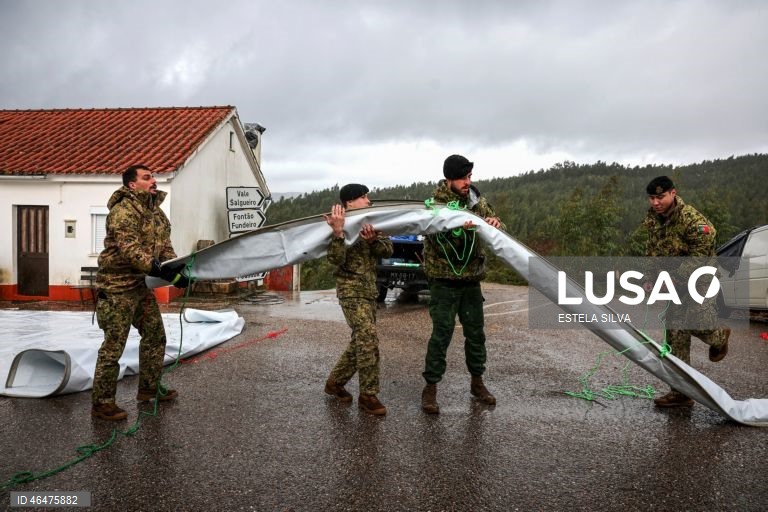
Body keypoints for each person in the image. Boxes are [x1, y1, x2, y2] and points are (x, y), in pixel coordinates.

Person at [91, 164, 190, 421]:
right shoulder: (123, 212)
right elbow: (130, 250)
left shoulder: (156, 214)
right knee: (113, 347)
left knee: (155, 337)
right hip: (116, 289)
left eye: (154, 176)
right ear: (132, 185)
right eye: (147, 178)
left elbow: (165, 247)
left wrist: (176, 270)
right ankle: (102, 404)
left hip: (140, 287)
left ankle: (148, 389)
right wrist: (159, 269)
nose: (154, 180)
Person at [420, 155, 506, 414]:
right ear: (449, 179)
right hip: (444, 282)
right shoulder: (435, 206)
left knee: (476, 334)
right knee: (442, 334)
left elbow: (498, 224)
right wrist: (459, 230)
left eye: (470, 177)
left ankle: (477, 384)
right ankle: (430, 388)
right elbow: (436, 240)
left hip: (471, 282)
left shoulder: (476, 201)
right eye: (463, 177)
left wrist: (494, 224)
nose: (468, 182)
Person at [642, 175, 730, 408]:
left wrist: (674, 278)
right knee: (675, 335)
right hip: (675, 283)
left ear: (673, 193)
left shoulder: (693, 220)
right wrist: (650, 278)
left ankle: (719, 337)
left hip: (701, 279)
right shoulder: (653, 219)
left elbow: (700, 255)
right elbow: (652, 250)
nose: (656, 202)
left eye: (660, 197)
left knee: (697, 323)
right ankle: (681, 392)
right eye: (652, 198)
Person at [323, 184, 394, 416]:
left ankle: (335, 382)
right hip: (350, 291)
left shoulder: (371, 222)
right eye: (363, 197)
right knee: (368, 339)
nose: (368, 200)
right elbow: (335, 259)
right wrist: (337, 233)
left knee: (361, 341)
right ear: (349, 202)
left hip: (369, 291)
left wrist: (374, 240)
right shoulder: (336, 223)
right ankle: (368, 395)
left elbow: (387, 250)